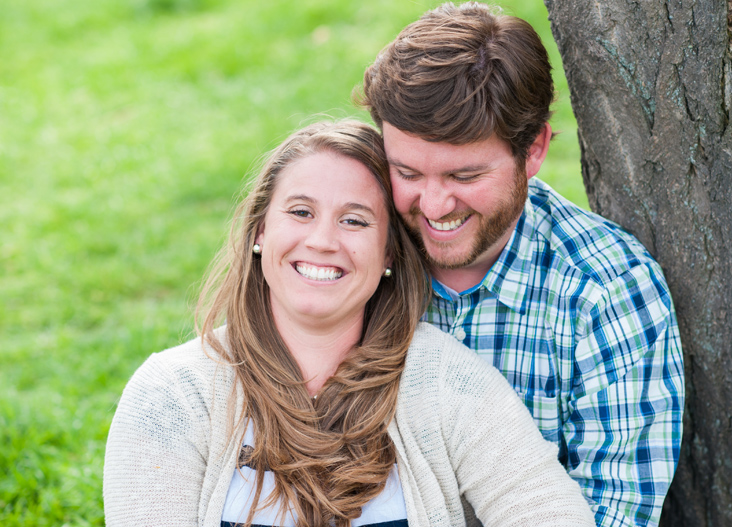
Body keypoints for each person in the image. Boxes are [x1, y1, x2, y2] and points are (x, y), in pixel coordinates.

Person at [103, 120, 595, 527]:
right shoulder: (172, 395)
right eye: (300, 212)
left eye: (354, 220)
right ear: (260, 231)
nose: (322, 240)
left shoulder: (447, 383)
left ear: (387, 255)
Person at [359, 2, 685, 527]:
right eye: (408, 172)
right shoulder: (350, 254)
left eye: (464, 176)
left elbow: (612, 513)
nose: (434, 206)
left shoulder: (608, 292)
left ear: (533, 150)